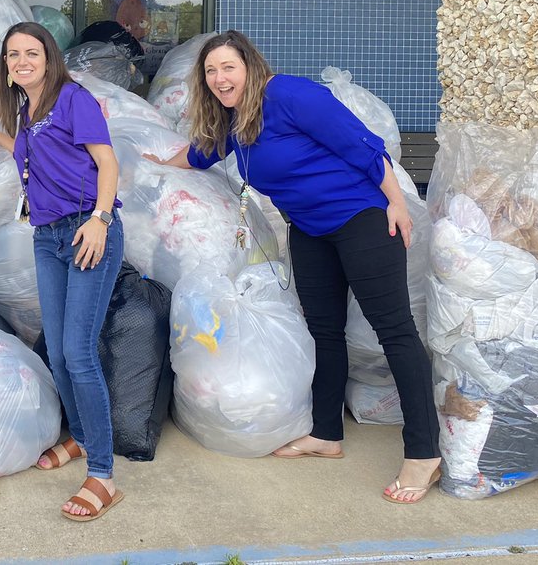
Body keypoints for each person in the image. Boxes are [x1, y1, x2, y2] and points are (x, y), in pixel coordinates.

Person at [144, 30, 441, 504]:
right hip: (310, 230)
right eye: (211, 71)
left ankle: (424, 452)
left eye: (228, 68)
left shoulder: (288, 94)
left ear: (250, 67)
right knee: (325, 330)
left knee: (395, 332)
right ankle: (326, 433)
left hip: (361, 219)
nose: (220, 79)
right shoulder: (233, 122)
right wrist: (154, 162)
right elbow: (201, 155)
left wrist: (397, 204)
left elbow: (362, 145)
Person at [0, 21, 125, 522]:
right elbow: (26, 153)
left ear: (49, 58)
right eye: (13, 55)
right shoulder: (29, 111)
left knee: (77, 352)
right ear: (5, 67)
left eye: (31, 53)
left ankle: (103, 474)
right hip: (48, 237)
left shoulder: (74, 99)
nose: (22, 62)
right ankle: (79, 436)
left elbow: (108, 164)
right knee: (56, 344)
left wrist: (100, 219)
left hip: (88, 230)